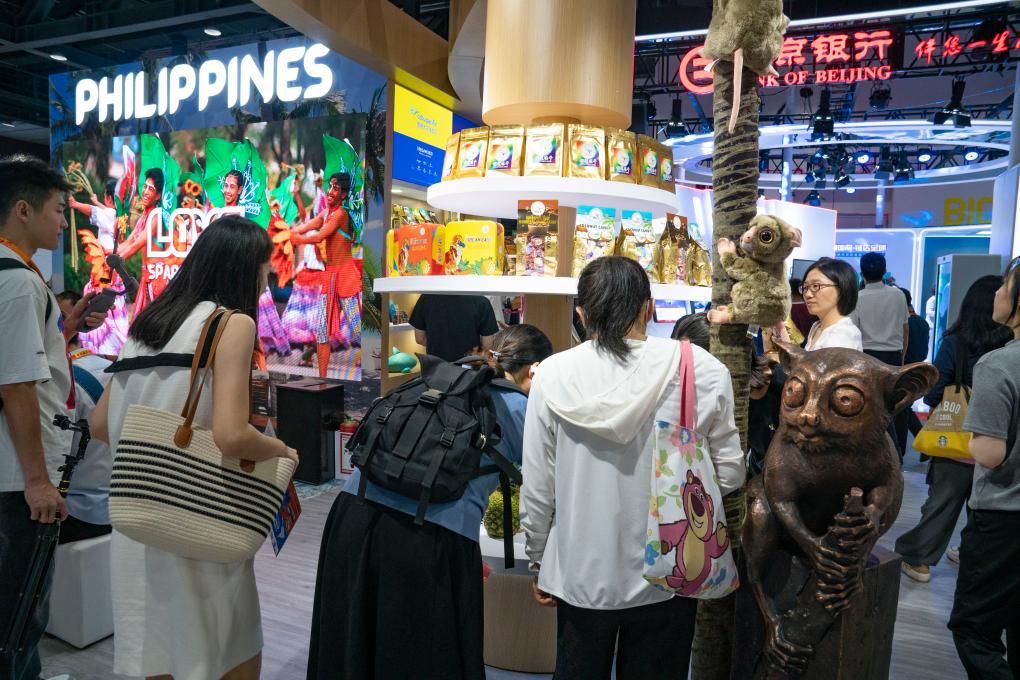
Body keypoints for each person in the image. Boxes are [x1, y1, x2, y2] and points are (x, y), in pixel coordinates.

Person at [90, 216, 299, 680]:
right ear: (243, 270)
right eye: (263, 273)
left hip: (137, 515)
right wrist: (280, 450)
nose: (265, 284)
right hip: (199, 512)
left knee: (156, 652)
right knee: (226, 649)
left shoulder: (146, 325)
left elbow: (100, 423)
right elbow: (231, 435)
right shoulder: (231, 323)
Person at [520, 256, 745, 679]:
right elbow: (730, 474)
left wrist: (537, 558)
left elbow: (537, 484)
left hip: (579, 571)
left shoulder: (551, 375)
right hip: (672, 570)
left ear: (582, 314)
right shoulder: (700, 368)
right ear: (648, 307)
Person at [306, 324, 553, 679]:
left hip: (351, 516)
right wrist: (543, 564)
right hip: (427, 540)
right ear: (534, 370)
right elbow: (544, 494)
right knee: (425, 656)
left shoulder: (434, 378)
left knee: (352, 646)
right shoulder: (521, 408)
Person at [0, 155, 105, 680]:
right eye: (59, 209)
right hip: (17, 479)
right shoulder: (18, 281)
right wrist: (39, 481)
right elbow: (16, 383)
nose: (64, 221)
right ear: (23, 210)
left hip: (11, 472)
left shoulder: (14, 274)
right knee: (20, 609)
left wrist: (63, 328)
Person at [896, 275, 1011, 584]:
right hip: (999, 440)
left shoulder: (956, 341)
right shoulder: (1009, 345)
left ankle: (919, 560)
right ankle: (971, 553)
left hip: (956, 438)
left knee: (942, 503)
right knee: (983, 508)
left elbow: (935, 389)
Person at [948, 257, 1020, 680]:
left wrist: (971, 439)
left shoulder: (998, 365)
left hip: (1002, 517)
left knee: (974, 630)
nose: (997, 292)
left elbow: (991, 454)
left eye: (1005, 285)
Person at [55, 291, 114, 544]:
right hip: (114, 508)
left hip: (73, 512)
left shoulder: (62, 381)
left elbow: (55, 457)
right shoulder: (112, 370)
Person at [283, 172, 362, 352]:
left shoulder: (341, 214)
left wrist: (299, 240)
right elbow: (307, 225)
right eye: (330, 186)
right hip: (331, 275)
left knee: (354, 323)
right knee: (322, 320)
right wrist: (288, 233)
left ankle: (369, 356)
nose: (330, 191)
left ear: (343, 194)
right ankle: (312, 354)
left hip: (345, 275)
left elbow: (320, 236)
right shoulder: (327, 212)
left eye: (336, 188)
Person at [68, 180, 131, 355]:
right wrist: (97, 201)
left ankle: (101, 351)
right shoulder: (121, 216)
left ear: (109, 197)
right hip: (115, 276)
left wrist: (75, 204)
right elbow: (106, 211)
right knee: (114, 313)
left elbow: (94, 212)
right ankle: (117, 349)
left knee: (101, 313)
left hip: (104, 275)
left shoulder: (109, 214)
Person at [117, 168, 174, 318]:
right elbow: (129, 242)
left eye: (151, 189)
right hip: (148, 277)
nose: (146, 192)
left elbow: (135, 246)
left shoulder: (156, 216)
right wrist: (107, 253)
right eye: (145, 187)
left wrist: (114, 262)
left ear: (158, 195)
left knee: (152, 323)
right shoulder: (144, 216)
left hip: (158, 280)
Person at [410, 294, 500, 362]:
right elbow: (487, 345)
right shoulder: (481, 301)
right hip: (469, 369)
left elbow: (419, 339)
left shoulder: (425, 298)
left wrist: (442, 347)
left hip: (436, 367)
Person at [800, 258, 862, 351]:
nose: (807, 294)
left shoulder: (844, 334)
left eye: (816, 286)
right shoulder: (817, 326)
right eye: (805, 287)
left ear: (842, 288)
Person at [900, 287, 932, 444]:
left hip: (906, 369)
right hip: (919, 368)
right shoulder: (922, 322)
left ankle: (920, 440)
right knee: (905, 407)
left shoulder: (905, 324)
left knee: (902, 408)